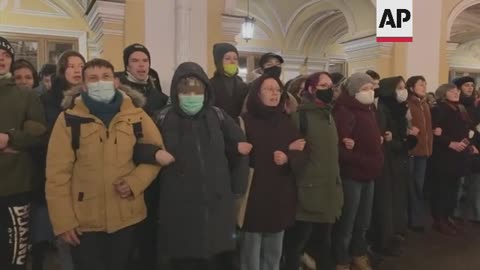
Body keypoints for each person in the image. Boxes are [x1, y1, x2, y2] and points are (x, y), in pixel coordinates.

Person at [45, 58, 164, 270]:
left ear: (116, 82)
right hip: (84, 221)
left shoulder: (136, 116)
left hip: (127, 215)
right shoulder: (68, 120)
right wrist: (63, 221)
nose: (100, 82)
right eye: (93, 78)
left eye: (105, 77)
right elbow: (57, 175)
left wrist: (135, 182)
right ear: (83, 85)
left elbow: (156, 155)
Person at [133, 62, 249, 270]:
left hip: (216, 207)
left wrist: (237, 187)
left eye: (197, 89)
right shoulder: (161, 117)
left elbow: (238, 147)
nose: (191, 95)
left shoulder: (218, 116)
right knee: (183, 260)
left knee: (215, 259)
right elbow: (136, 148)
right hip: (178, 208)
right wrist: (154, 154)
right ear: (176, 92)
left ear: (206, 91)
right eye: (185, 89)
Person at [239, 75, 307, 270]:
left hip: (279, 196)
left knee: (273, 256)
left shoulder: (285, 121)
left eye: (277, 90)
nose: (274, 93)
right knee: (250, 256)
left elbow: (303, 151)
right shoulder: (244, 121)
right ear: (257, 94)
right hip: (253, 197)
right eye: (269, 89)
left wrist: (288, 156)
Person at [282, 72, 343, 270]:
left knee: (323, 242)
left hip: (328, 189)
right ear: (311, 89)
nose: (329, 89)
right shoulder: (301, 116)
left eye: (331, 85)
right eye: (323, 85)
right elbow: (292, 151)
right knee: (297, 241)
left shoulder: (329, 115)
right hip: (307, 190)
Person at [0, 36, 47, 270]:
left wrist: (10, 138)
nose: (1, 58)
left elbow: (37, 132)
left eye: (6, 54)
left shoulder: (25, 95)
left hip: (16, 186)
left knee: (14, 258)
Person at [333, 73, 384, 270]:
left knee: (363, 221)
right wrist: (361, 157)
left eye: (371, 88)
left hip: (368, 173)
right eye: (365, 89)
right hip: (352, 174)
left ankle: (358, 253)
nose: (370, 92)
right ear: (354, 91)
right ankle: (341, 259)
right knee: (347, 221)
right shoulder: (345, 111)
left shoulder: (368, 109)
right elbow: (339, 146)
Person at [370, 76, 418, 257]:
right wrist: (402, 141)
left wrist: (407, 139)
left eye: (404, 87)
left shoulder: (398, 107)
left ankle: (395, 235)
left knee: (397, 200)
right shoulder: (382, 108)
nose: (403, 90)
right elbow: (384, 138)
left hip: (398, 160)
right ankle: (384, 240)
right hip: (388, 162)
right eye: (399, 87)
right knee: (386, 202)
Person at [428, 84, 477, 235]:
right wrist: (450, 143)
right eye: (452, 91)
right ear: (443, 93)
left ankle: (448, 216)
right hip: (444, 155)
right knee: (442, 189)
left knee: (453, 189)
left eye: (457, 91)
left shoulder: (461, 108)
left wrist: (468, 142)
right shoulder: (438, 109)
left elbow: (470, 128)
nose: (456, 93)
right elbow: (434, 133)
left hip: (460, 155)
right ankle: (439, 220)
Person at [405, 76, 432, 232]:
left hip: (424, 151)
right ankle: (413, 220)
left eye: (425, 84)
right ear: (411, 87)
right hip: (412, 151)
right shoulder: (408, 104)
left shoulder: (425, 105)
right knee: (412, 186)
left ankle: (416, 218)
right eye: (420, 84)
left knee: (418, 186)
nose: (424, 86)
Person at [453, 76, 480, 223]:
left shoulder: (476, 107)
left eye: (472, 85)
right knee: (459, 184)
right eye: (466, 85)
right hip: (460, 148)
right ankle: (455, 213)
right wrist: (469, 145)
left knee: (475, 185)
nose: (470, 88)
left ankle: (475, 214)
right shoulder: (456, 106)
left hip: (476, 149)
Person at [117, 43, 169, 115]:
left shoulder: (160, 96)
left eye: (145, 60)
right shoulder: (117, 93)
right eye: (135, 61)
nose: (141, 64)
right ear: (127, 66)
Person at [209, 43, 249, 119]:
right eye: (227, 58)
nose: (232, 62)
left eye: (235, 58)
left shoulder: (242, 85)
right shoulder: (211, 84)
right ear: (219, 61)